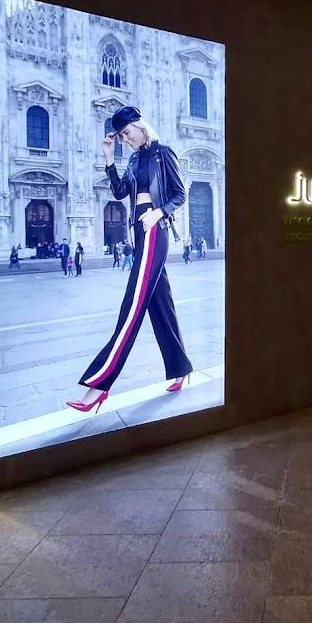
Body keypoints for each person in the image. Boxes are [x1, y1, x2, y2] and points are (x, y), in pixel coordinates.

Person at [68, 105, 193, 413]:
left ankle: (99, 384)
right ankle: (180, 367)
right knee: (159, 303)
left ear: (139, 126)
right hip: (139, 229)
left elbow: (179, 194)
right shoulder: (134, 159)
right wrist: (109, 157)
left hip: (155, 228)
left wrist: (158, 213)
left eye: (126, 134)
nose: (125, 140)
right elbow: (121, 191)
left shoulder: (164, 152)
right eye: (121, 137)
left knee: (133, 305)